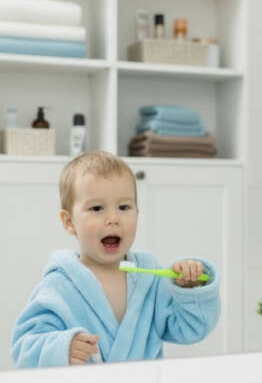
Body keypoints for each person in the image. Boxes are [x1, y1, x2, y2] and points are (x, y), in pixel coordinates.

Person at [11, 151, 219, 367]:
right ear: (69, 221)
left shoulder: (151, 280)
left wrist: (190, 290)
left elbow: (192, 329)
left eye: (123, 207)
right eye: (97, 208)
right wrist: (61, 348)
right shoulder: (59, 286)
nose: (113, 219)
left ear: (137, 213)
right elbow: (24, 347)